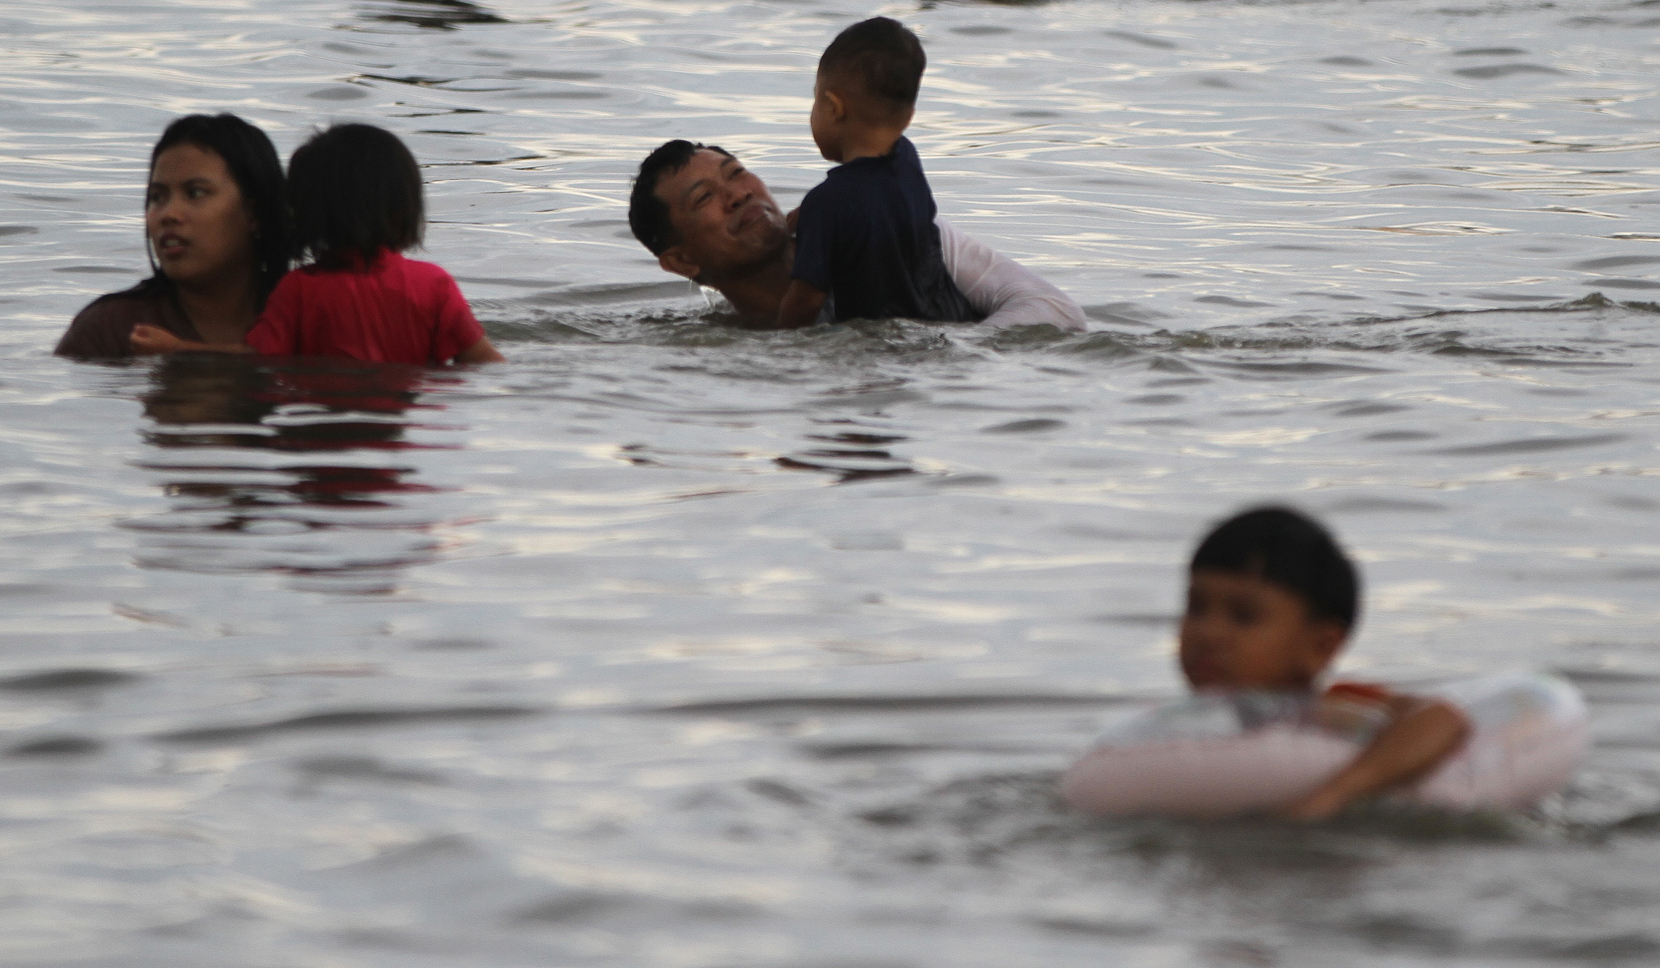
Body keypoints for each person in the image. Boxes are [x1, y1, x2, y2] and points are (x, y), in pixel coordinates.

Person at [1178, 506, 1471, 820]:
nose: (1207, 633)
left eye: (1244, 616)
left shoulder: (1332, 709)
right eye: (1196, 608)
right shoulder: (1181, 729)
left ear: (1319, 647)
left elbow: (1442, 718)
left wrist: (1335, 794)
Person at [132, 123, 502, 366]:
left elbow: (253, 359)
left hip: (321, 435)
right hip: (404, 447)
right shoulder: (434, 286)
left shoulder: (299, 291)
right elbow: (488, 366)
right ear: (404, 206)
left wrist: (178, 348)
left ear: (305, 212)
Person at [628, 141, 1087, 331]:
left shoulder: (888, 233)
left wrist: (947, 355)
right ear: (681, 262)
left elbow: (1057, 312)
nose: (737, 195)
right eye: (705, 196)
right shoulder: (722, 348)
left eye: (737, 173)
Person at [777, 17, 975, 328]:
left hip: (879, 342)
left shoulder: (827, 203)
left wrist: (774, 340)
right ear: (909, 115)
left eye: (815, 100)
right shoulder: (907, 160)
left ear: (832, 107)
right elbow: (875, 205)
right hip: (950, 324)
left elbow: (807, 301)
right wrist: (813, 216)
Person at [55, 113, 290, 359]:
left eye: (195, 193)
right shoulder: (110, 329)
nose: (169, 214)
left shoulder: (311, 317)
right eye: (157, 197)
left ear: (254, 214)